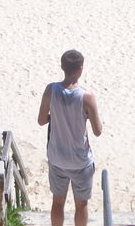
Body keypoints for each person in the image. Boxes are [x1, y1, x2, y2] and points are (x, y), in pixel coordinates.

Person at [38, 50, 102, 226]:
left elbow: (41, 120)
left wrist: (56, 117)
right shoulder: (87, 97)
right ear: (80, 69)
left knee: (57, 201)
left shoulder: (51, 90)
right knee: (81, 204)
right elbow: (98, 131)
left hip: (57, 157)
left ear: (62, 67)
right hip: (80, 160)